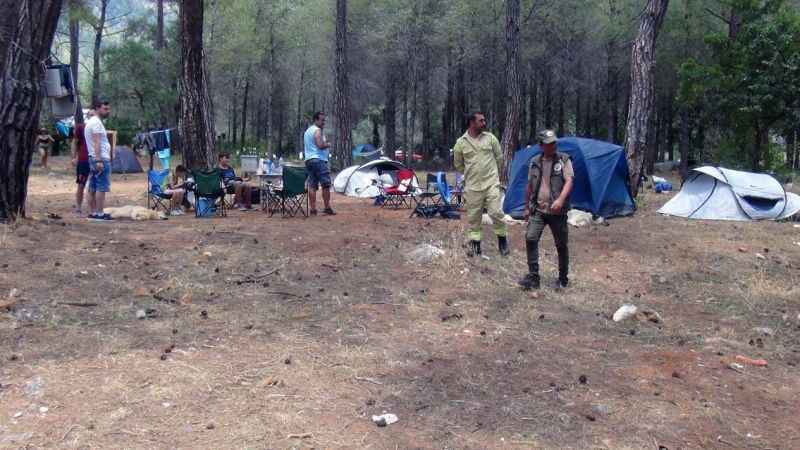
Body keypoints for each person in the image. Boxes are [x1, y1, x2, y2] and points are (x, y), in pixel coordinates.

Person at [519, 130, 574, 290]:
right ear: (541, 145)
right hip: (538, 210)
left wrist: (560, 200)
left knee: (561, 245)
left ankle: (563, 279)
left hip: (557, 212)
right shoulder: (535, 162)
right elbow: (529, 186)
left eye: (554, 143)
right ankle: (534, 277)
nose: (553, 146)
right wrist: (526, 208)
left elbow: (569, 181)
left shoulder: (564, 160)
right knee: (530, 238)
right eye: (549, 143)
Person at [453, 112, 508, 257]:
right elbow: (458, 165)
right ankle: (476, 246)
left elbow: (499, 158)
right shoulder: (460, 143)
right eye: (481, 121)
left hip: (491, 183)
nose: (484, 123)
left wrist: (492, 174)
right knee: (474, 217)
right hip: (472, 186)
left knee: (495, 212)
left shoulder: (491, 139)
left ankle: (502, 241)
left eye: (484, 120)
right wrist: (471, 174)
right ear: (472, 123)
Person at [84, 100, 113, 221]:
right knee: (101, 186)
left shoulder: (92, 122)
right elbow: (97, 142)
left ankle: (93, 213)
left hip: (93, 158)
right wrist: (99, 161)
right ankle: (100, 214)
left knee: (93, 186)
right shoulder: (96, 123)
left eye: (108, 109)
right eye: (105, 109)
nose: (107, 111)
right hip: (99, 159)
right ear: (97, 108)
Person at [303, 111, 335, 215]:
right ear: (316, 120)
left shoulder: (307, 131)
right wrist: (328, 144)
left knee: (312, 185)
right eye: (322, 120)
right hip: (319, 160)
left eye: (324, 120)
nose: (323, 122)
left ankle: (313, 209)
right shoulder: (317, 131)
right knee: (325, 184)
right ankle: (327, 207)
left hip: (309, 160)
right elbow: (320, 145)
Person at [70, 109, 94, 216]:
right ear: (87, 116)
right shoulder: (81, 127)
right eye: (91, 114)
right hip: (84, 159)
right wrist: (74, 157)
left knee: (94, 185)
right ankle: (78, 208)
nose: (93, 116)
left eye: (94, 114)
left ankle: (93, 209)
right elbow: (75, 142)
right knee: (81, 184)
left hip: (96, 159)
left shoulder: (99, 127)